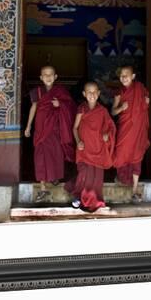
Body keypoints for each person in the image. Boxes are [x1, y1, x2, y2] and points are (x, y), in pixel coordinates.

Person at [24, 65, 76, 202]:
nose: (48, 77)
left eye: (50, 74)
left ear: (55, 77)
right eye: (45, 75)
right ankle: (42, 188)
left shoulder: (61, 92)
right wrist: (28, 126)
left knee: (56, 154)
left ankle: (55, 176)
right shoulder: (37, 91)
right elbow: (33, 108)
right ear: (41, 78)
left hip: (55, 130)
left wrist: (61, 105)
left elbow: (71, 107)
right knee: (40, 158)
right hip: (41, 130)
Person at [65, 81, 116, 212]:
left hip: (98, 148)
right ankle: (78, 196)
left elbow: (111, 127)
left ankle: (95, 200)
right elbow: (75, 128)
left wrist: (107, 135)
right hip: (84, 148)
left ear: (98, 94)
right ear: (84, 94)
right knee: (84, 173)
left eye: (94, 92)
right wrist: (78, 142)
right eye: (89, 92)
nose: (92, 95)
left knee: (96, 177)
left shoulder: (102, 111)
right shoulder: (81, 109)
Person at [111, 66, 150, 203]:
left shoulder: (140, 88)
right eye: (121, 75)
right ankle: (121, 178)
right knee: (121, 152)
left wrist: (146, 103)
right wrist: (121, 108)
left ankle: (134, 189)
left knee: (136, 156)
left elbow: (144, 106)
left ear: (133, 76)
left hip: (138, 129)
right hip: (125, 129)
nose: (123, 78)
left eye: (126, 75)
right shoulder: (119, 93)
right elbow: (113, 112)